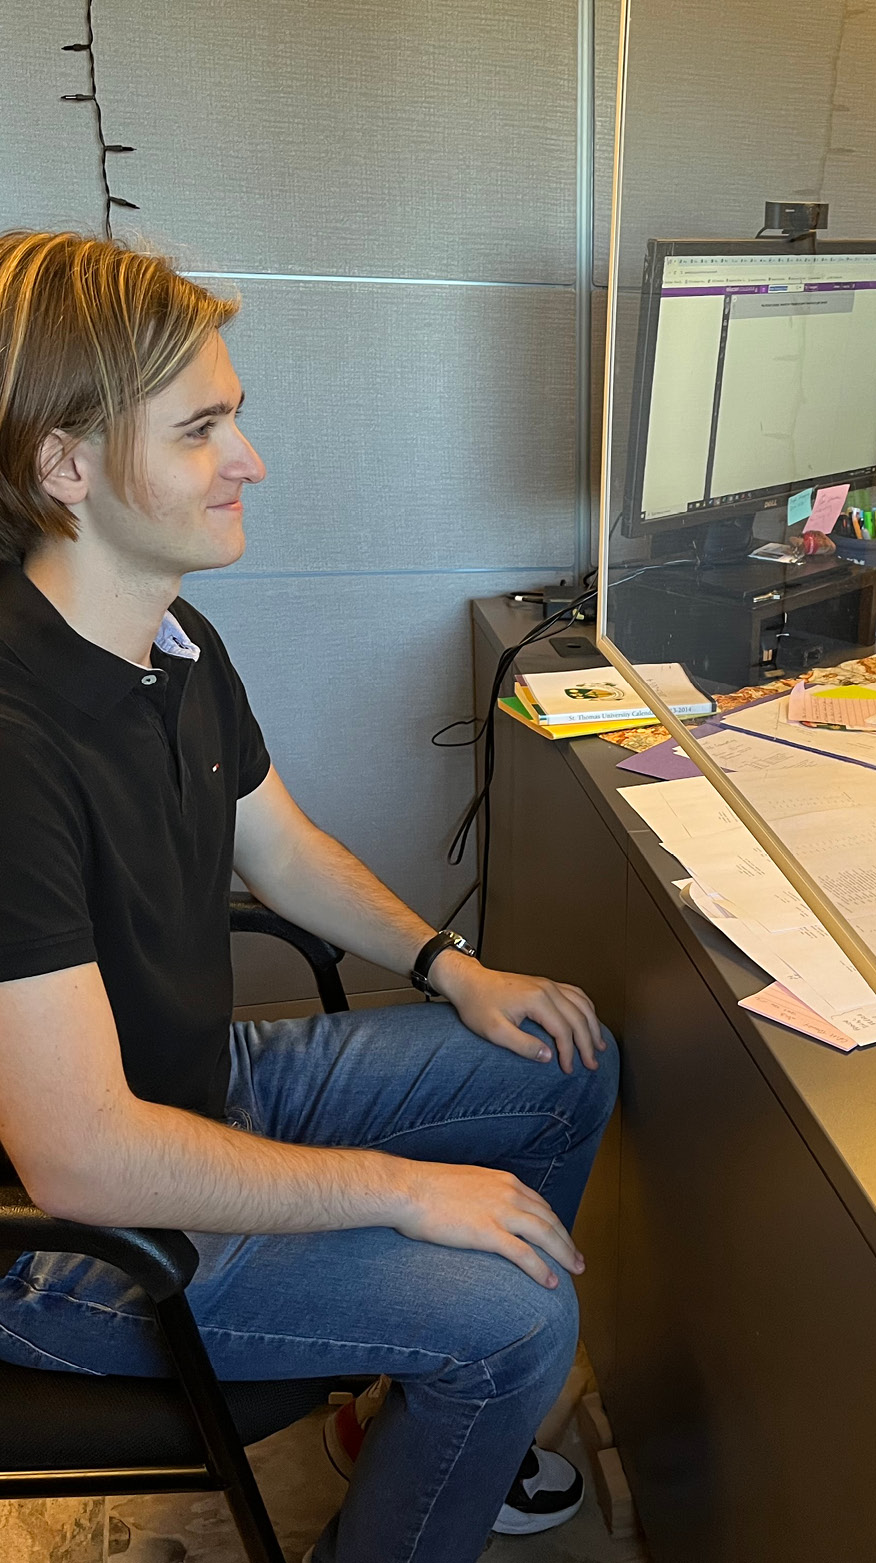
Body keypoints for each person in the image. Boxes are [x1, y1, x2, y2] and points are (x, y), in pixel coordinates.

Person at [0, 231, 619, 1563]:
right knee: (516, 1310)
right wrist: (395, 1190)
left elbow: (277, 849)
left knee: (561, 1055)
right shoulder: (10, 738)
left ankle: (417, 1421)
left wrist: (455, 965)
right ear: (65, 466)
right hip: (66, 1243)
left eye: (238, 417)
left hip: (190, 1090)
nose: (250, 460)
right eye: (200, 428)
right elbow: (80, 1156)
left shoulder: (167, 630)